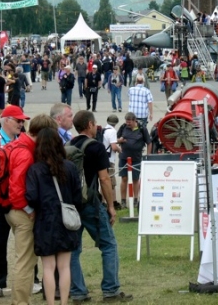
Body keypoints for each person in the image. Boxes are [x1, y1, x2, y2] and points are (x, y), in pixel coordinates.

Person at [69, 111, 133, 304]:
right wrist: (111, 206)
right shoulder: (95, 147)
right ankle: (110, 289)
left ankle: (78, 291)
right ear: (89, 125)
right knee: (108, 245)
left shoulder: (68, 145)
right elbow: (104, 179)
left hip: (71, 205)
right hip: (90, 203)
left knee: (73, 249)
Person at [5, 114, 58, 305]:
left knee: (25, 260)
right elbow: (17, 188)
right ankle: (21, 302)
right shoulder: (25, 152)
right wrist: (29, 210)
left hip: (14, 210)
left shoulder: (19, 145)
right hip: (21, 211)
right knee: (25, 262)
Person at [26, 128, 82, 305]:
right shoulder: (70, 167)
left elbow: (32, 197)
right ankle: (64, 302)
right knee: (65, 266)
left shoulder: (35, 169)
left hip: (44, 220)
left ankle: (51, 302)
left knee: (48, 268)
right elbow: (78, 197)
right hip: (66, 220)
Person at [0, 105, 31, 299]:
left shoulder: (22, 140)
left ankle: (32, 280)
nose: (21, 123)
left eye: (22, 121)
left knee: (26, 244)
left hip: (19, 200)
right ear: (6, 120)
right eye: (18, 120)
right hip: (0, 201)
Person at [117, 112, 152, 209]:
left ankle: (135, 200)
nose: (128, 124)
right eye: (127, 122)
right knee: (124, 179)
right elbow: (116, 139)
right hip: (124, 158)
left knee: (135, 179)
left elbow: (149, 143)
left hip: (136, 158)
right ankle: (123, 201)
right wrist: (119, 141)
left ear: (134, 120)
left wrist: (148, 156)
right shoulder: (123, 127)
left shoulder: (142, 129)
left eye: (130, 122)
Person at [103, 114, 122, 210]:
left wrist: (119, 140)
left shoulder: (104, 130)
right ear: (116, 123)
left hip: (103, 158)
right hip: (109, 160)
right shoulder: (113, 131)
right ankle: (113, 202)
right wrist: (119, 150)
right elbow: (113, 147)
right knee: (111, 182)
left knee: (103, 180)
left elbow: (109, 141)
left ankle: (103, 202)